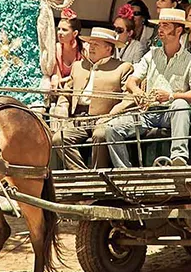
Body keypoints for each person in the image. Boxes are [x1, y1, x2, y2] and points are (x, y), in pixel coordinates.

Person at [105, 8, 191, 168]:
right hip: (148, 112)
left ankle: (179, 159)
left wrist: (171, 96)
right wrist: (139, 93)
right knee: (111, 128)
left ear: (178, 30)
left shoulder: (190, 61)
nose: (160, 29)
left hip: (170, 113)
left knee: (180, 105)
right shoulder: (151, 55)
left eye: (165, 25)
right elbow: (132, 81)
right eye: (160, 25)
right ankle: (125, 172)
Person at [52, 27, 133, 170]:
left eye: (96, 44)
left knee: (101, 135)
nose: (91, 47)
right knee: (59, 138)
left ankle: (98, 175)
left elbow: (129, 98)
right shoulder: (78, 66)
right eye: (90, 44)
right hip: (78, 119)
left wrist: (110, 116)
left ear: (108, 49)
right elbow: (66, 93)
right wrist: (62, 106)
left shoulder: (123, 68)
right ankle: (81, 174)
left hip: (104, 118)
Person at [50, 8, 83, 90]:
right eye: (59, 29)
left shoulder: (84, 49)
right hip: (61, 88)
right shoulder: (56, 48)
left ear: (75, 33)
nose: (60, 33)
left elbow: (82, 75)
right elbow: (57, 76)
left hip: (78, 87)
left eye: (64, 30)